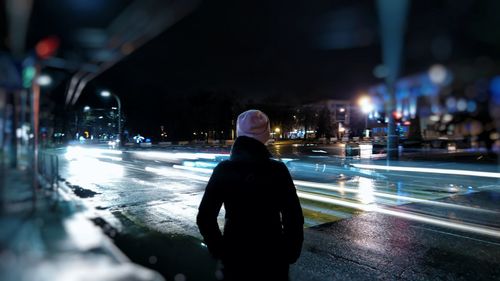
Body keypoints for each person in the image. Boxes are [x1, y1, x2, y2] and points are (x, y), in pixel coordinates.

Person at [197, 109, 304, 281]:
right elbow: (293, 217)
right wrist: (289, 252)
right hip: (272, 258)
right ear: (266, 135)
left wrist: (221, 250)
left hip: (235, 257)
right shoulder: (277, 171)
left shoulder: (224, 170)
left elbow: (205, 217)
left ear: (239, 133)